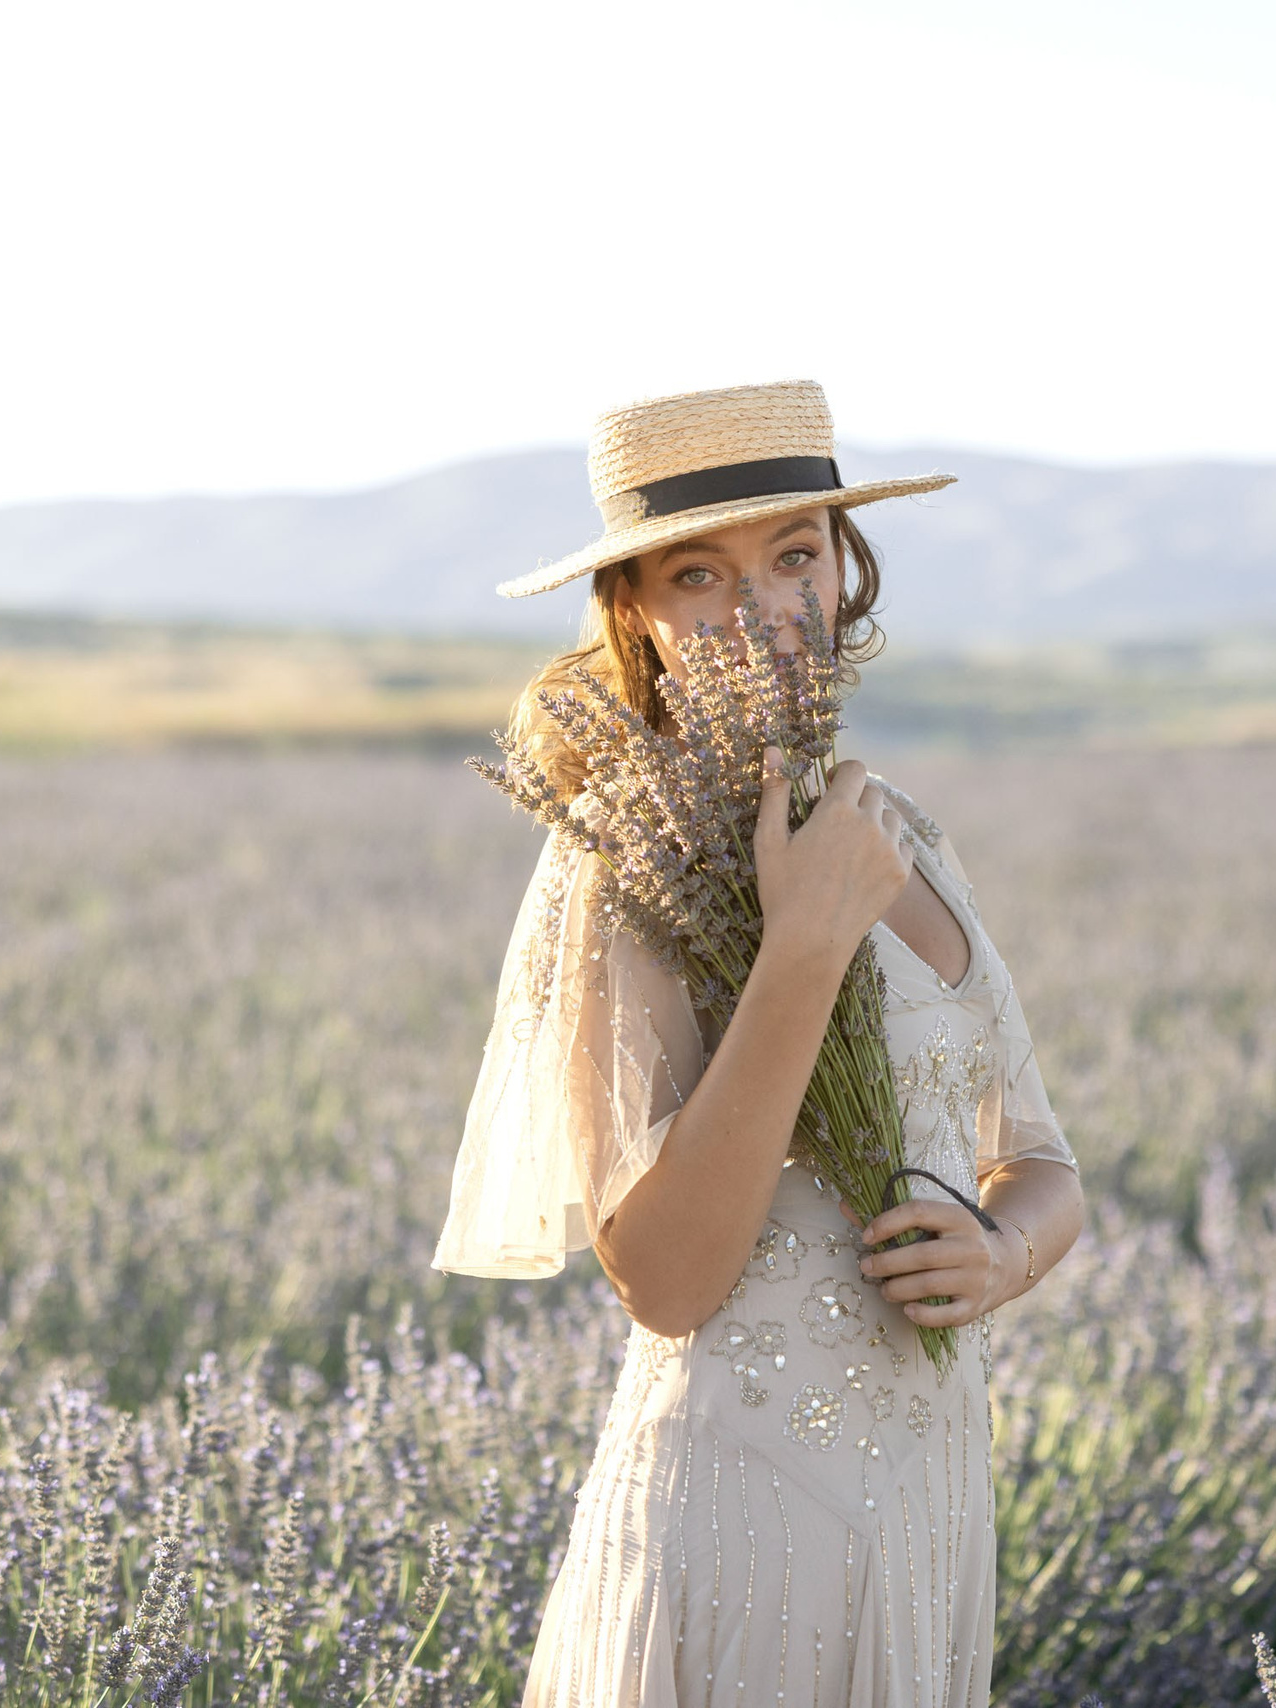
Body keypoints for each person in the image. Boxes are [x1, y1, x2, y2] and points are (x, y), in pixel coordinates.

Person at [434, 381, 1085, 1708]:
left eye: (796, 552)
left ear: (843, 567)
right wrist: (798, 953)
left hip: (926, 1505)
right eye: (700, 572)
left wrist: (1001, 1251)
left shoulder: (898, 824)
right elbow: (665, 1280)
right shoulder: (628, 859)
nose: (763, 604)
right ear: (637, 613)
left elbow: (1043, 1158)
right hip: (739, 1527)